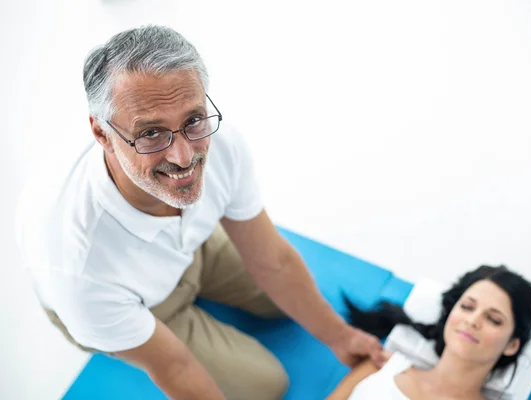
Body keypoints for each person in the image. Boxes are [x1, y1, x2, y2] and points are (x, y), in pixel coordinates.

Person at [14, 25, 385, 400]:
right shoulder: (76, 265)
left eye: (192, 120)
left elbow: (273, 260)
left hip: (191, 247)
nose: (184, 157)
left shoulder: (221, 143)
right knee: (265, 386)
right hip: (137, 301)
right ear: (103, 135)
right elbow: (173, 367)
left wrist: (342, 336)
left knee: (292, 298)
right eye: (151, 134)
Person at [326, 265, 531, 400]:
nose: (473, 321)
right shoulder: (380, 367)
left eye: (493, 319)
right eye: (467, 307)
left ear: (512, 344)